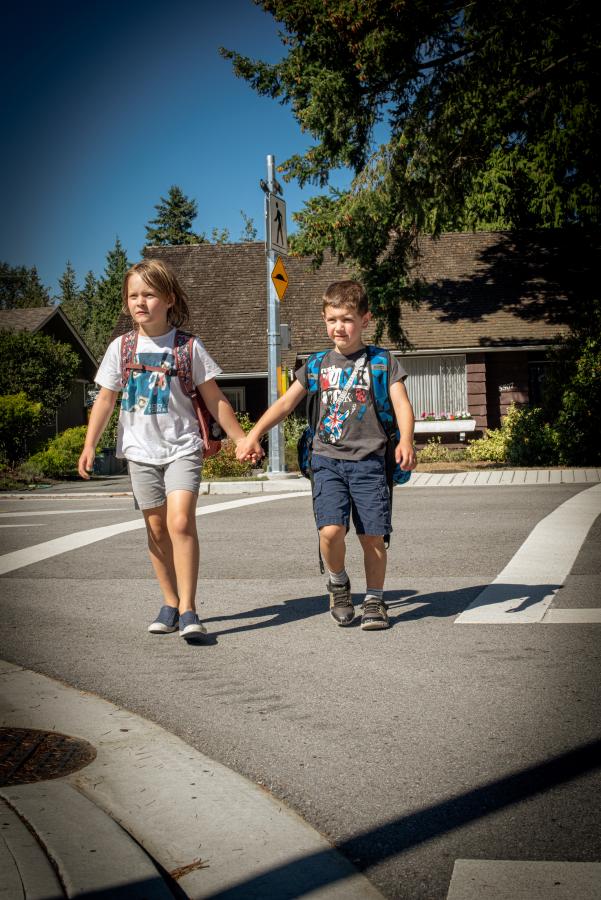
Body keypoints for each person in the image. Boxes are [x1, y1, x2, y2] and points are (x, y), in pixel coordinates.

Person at [78, 259, 259, 640]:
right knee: (156, 528)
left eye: (149, 294)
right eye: (133, 295)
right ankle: (169, 603)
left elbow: (215, 399)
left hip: (182, 448)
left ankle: (190, 609)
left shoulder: (188, 347)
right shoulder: (121, 348)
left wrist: (241, 437)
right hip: (139, 451)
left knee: (179, 522)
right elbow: (106, 399)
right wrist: (90, 444)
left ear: (169, 299)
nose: (140, 302)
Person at [236, 280, 416, 631]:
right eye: (332, 319)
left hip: (370, 462)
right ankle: (338, 584)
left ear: (365, 319)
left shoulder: (382, 361)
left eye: (347, 319)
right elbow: (287, 403)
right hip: (326, 460)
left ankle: (376, 600)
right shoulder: (317, 365)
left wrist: (406, 439)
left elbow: (402, 405)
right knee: (331, 531)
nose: (339, 327)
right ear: (324, 319)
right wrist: (253, 434)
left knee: (372, 537)